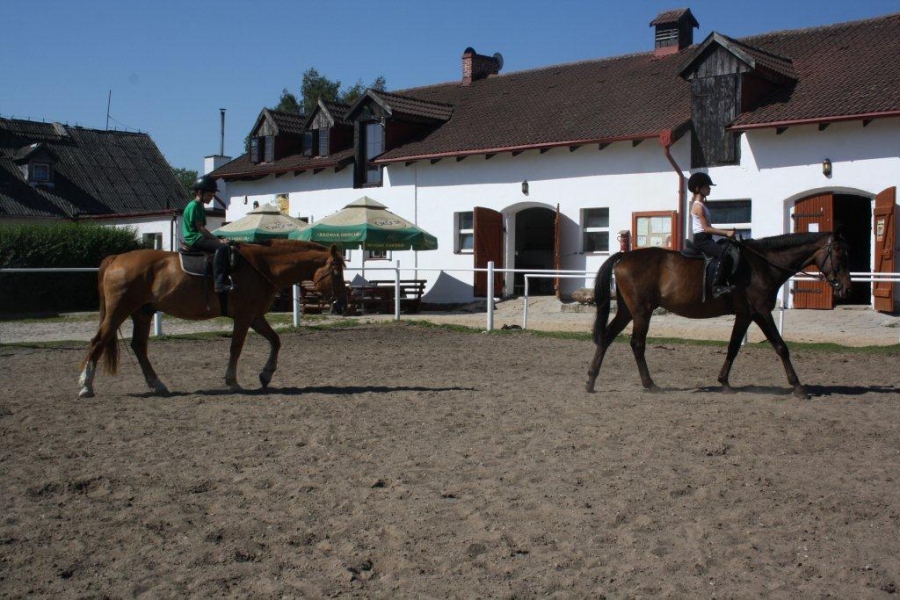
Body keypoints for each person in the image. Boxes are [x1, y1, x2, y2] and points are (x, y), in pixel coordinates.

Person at [182, 175, 234, 293]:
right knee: (223, 248)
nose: (211, 198)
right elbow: (201, 228)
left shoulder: (199, 205)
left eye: (212, 195)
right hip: (195, 238)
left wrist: (217, 238)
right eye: (209, 195)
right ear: (200, 192)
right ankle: (219, 284)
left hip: (198, 237)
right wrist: (218, 241)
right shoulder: (194, 206)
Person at [688, 172, 736, 299]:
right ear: (698, 188)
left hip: (706, 238)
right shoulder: (698, 207)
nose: (709, 188)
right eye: (706, 186)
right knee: (724, 255)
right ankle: (717, 286)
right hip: (702, 239)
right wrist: (726, 233)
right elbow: (706, 229)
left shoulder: (702, 205)